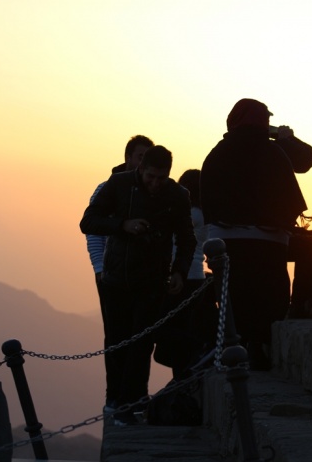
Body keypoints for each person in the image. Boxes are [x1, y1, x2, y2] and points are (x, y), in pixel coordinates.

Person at [80, 145, 195, 425]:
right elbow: (88, 222)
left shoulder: (178, 195)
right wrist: (123, 225)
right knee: (118, 342)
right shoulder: (118, 184)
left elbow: (186, 238)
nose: (155, 183)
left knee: (142, 343)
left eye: (161, 178)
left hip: (154, 281)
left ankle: (129, 406)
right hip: (116, 279)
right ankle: (118, 400)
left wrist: (179, 271)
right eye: (151, 176)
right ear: (141, 169)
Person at [200, 99, 307, 370]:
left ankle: (241, 343)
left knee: (237, 292)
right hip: (270, 242)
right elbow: (307, 161)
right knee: (273, 286)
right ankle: (278, 330)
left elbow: (209, 202)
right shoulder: (274, 152)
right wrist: (287, 139)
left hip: (226, 242)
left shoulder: (218, 154)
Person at [83, 134, 153, 413]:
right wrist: (99, 268)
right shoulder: (107, 189)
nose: (142, 164)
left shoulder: (153, 191)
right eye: (140, 157)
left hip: (145, 276)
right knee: (115, 336)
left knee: (143, 337)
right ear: (128, 158)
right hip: (110, 275)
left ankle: (137, 396)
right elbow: (92, 230)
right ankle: (115, 396)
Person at [153, 168, 217, 379]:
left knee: (161, 329)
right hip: (196, 277)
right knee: (180, 330)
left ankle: (202, 349)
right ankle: (187, 372)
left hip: (181, 277)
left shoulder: (188, 213)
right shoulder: (206, 216)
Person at [268, 124, 312, 319]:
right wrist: (286, 140)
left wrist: (287, 140)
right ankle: (297, 306)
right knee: (308, 247)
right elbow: (306, 159)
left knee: (304, 246)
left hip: (254, 234)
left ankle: (293, 306)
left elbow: (305, 160)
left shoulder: (232, 151)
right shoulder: (268, 152)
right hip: (265, 234)